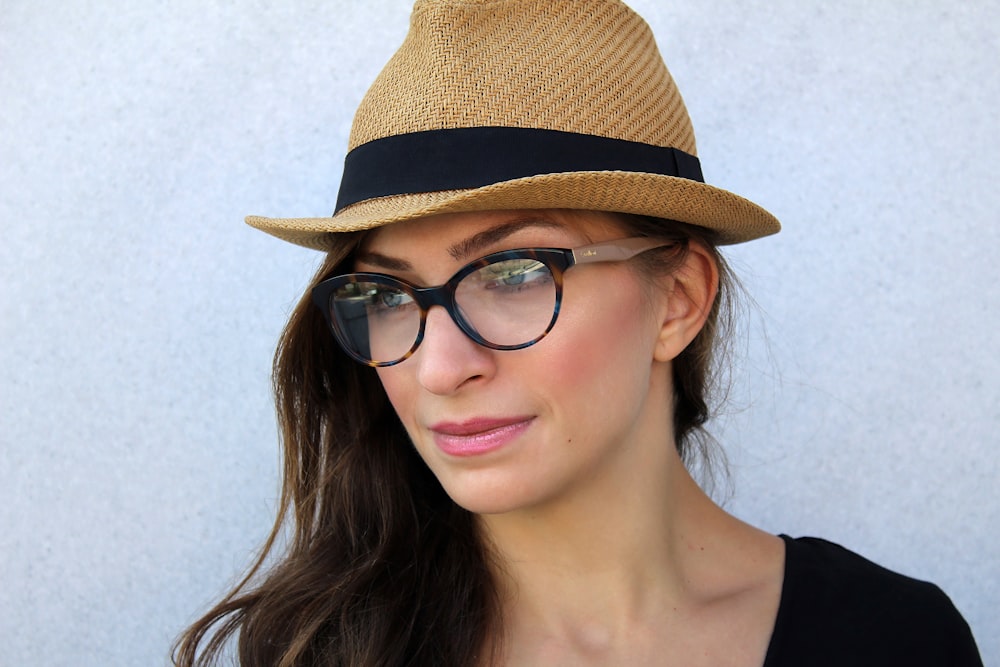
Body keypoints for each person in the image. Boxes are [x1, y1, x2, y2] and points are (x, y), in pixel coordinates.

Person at [174, 1, 983, 665]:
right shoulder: (321, 650)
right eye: (387, 294)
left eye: (512, 274)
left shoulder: (892, 641)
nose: (438, 368)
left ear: (678, 299)